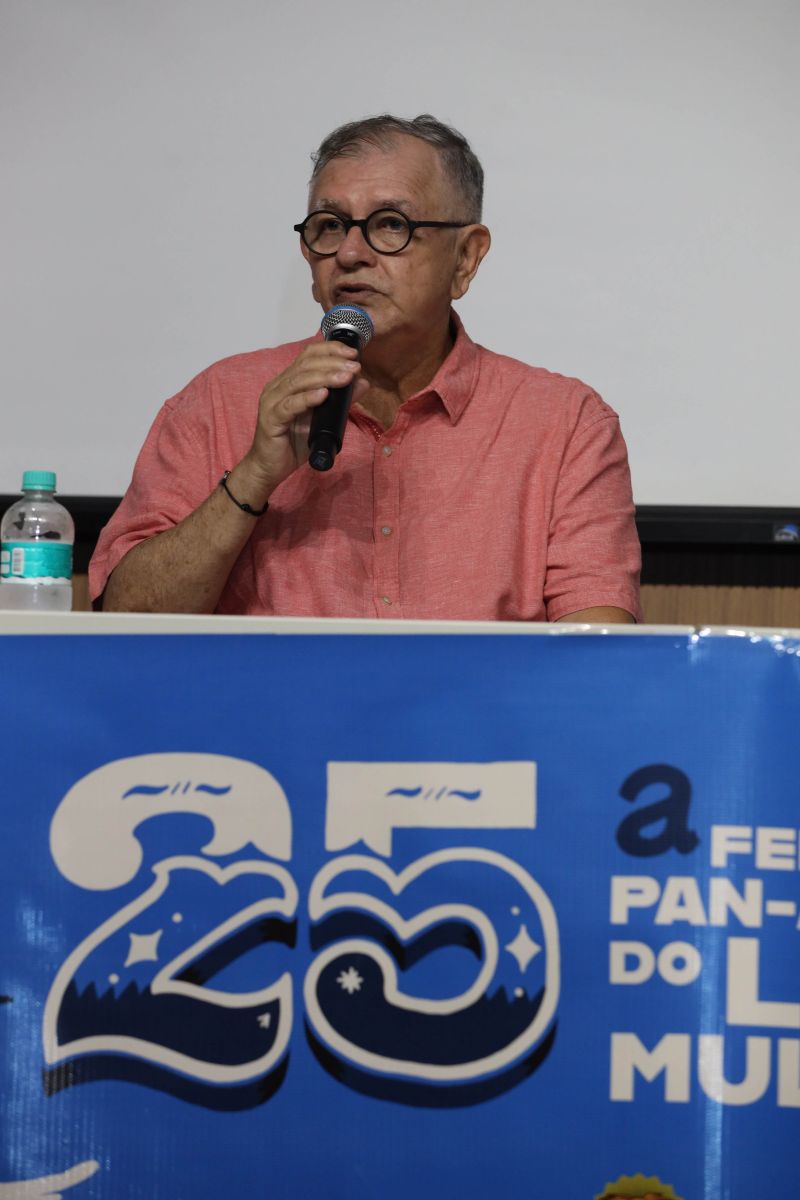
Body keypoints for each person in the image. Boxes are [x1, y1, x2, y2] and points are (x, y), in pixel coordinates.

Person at [90, 114, 641, 622]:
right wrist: (255, 474)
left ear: (466, 258)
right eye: (330, 225)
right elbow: (125, 624)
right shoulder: (218, 400)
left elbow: (599, 661)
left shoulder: (565, 425)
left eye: (390, 223)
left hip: (478, 728)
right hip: (268, 728)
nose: (350, 253)